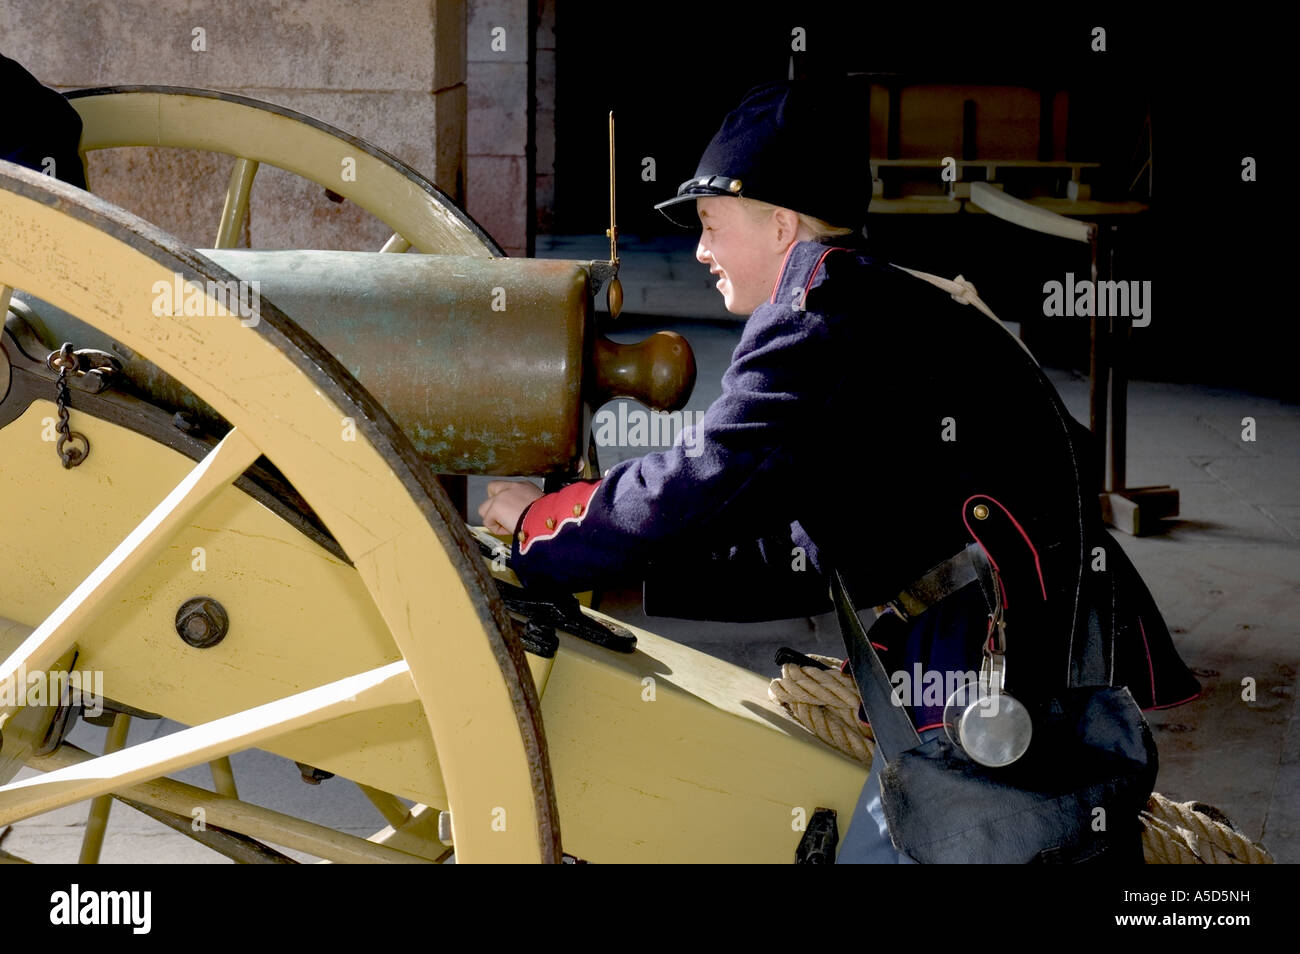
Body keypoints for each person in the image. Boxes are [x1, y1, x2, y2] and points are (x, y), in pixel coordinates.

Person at [478, 79, 1199, 861]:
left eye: (711, 224)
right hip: (1017, 634)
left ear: (782, 223)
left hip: (996, 659)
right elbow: (798, 544)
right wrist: (626, 575)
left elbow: (709, 474)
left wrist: (546, 525)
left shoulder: (814, 318)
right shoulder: (874, 300)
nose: (700, 250)